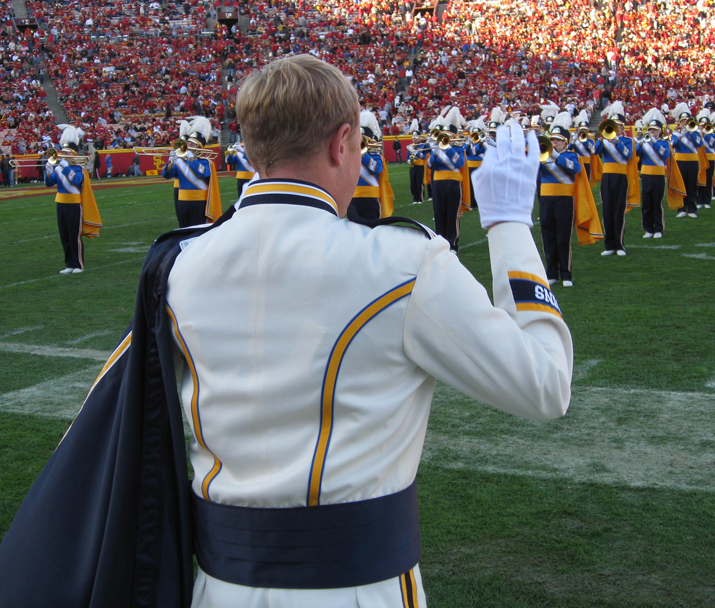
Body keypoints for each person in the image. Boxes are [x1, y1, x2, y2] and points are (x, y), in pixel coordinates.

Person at [0, 54, 573, 608]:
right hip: (361, 592)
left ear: (252, 147)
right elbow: (544, 386)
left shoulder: (178, 267)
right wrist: (509, 227)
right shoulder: (405, 262)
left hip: (220, 591)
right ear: (340, 142)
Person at [539, 111, 602, 286]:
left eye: (558, 140)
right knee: (548, 237)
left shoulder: (571, 155)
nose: (554, 143)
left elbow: (574, 169)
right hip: (546, 201)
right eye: (552, 140)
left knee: (563, 238)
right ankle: (551, 273)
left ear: (565, 142)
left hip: (564, 202)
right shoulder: (542, 157)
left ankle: (566, 274)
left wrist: (555, 155)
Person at [43, 125, 102, 274]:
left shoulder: (78, 169)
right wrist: (48, 172)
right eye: (62, 153)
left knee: (74, 235)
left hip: (74, 205)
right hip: (60, 203)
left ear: (73, 155)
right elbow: (49, 184)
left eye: (66, 154)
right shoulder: (58, 168)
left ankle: (78, 264)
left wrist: (64, 166)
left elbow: (75, 181)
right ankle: (69, 264)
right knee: (64, 235)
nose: (63, 156)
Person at [162, 117, 222, 227]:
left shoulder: (206, 162)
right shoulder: (180, 161)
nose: (188, 146)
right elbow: (166, 175)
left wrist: (191, 159)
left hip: (199, 201)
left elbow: (202, 173)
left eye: (192, 145)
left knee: (197, 229)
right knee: (183, 228)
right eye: (188, 144)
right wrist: (171, 162)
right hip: (183, 200)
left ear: (199, 147)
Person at [594, 101, 635, 256]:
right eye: (613, 125)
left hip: (621, 177)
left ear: (623, 127)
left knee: (618, 211)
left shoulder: (626, 140)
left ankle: (619, 245)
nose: (616, 128)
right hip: (607, 177)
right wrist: (600, 139)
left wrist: (616, 141)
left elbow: (628, 154)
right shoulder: (605, 140)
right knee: (607, 210)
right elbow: (595, 152)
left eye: (618, 125)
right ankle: (609, 245)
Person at [427, 107, 468, 251]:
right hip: (438, 183)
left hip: (453, 182)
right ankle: (440, 241)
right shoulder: (437, 148)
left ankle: (452, 243)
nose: (445, 138)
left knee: (452, 213)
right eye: (444, 135)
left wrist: (448, 148)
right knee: (439, 212)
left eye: (448, 135)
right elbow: (430, 165)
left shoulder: (457, 147)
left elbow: (460, 163)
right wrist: (435, 151)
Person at [352, 109, 393, 220]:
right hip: (353, 195)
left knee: (371, 229)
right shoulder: (350, 151)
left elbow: (378, 169)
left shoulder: (374, 150)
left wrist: (363, 153)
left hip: (371, 195)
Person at [637, 108, 671, 238]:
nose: (652, 132)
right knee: (646, 204)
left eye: (655, 130)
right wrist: (639, 143)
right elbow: (635, 155)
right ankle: (648, 229)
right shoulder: (644, 143)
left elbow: (665, 154)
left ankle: (658, 229)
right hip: (645, 176)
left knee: (657, 203)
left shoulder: (663, 143)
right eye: (650, 129)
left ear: (660, 131)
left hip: (658, 176)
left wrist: (654, 142)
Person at [670, 103, 707, 218]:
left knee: (692, 185)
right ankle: (681, 208)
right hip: (680, 161)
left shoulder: (696, 133)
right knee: (681, 185)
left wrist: (690, 134)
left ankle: (691, 209)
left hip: (693, 162)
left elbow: (699, 144)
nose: (685, 123)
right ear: (679, 123)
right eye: (683, 121)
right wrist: (681, 136)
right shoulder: (676, 134)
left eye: (687, 121)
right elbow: (673, 145)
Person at [406, 124, 429, 204]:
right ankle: (415, 198)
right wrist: (409, 160)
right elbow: (407, 156)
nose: (415, 140)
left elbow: (424, 156)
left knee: (419, 182)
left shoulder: (422, 145)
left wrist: (415, 152)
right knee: (413, 183)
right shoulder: (410, 146)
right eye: (414, 138)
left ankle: (420, 198)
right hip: (412, 166)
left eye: (416, 138)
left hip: (420, 165)